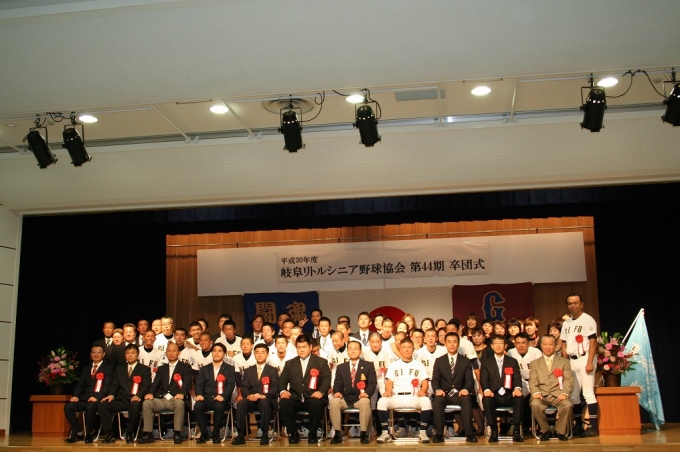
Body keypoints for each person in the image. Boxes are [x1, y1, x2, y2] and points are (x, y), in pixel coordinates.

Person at [376, 338, 432, 444]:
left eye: (409, 347)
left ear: (413, 349)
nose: (406, 350)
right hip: (397, 396)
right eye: (404, 347)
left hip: (413, 396)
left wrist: (423, 390)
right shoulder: (394, 365)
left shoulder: (419, 365)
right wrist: (388, 391)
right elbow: (389, 381)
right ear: (400, 349)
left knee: (426, 401)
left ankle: (422, 432)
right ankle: (385, 433)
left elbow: (425, 381)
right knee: (381, 402)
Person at [278, 334, 331, 445]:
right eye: (299, 347)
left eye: (304, 347)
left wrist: (321, 391)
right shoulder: (290, 363)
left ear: (310, 347)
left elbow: (327, 379)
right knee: (284, 403)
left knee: (316, 403)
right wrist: (283, 391)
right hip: (295, 397)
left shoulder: (321, 362)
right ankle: (293, 433)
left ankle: (312, 433)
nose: (302, 350)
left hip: (313, 396)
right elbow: (282, 380)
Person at [137, 342, 193, 444]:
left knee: (180, 403)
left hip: (176, 399)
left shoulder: (185, 367)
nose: (171, 353)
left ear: (179, 353)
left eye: (174, 351)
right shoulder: (161, 368)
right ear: (166, 353)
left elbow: (187, 383)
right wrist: (151, 393)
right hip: (162, 399)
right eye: (169, 351)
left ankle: (177, 434)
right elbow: (155, 383)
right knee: (147, 403)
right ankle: (148, 434)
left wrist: (182, 393)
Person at [560, 292, 599, 437]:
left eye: (575, 303)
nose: (573, 306)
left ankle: (593, 426)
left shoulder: (588, 319)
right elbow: (563, 344)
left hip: (585, 357)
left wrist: (590, 362)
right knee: (574, 394)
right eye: (570, 303)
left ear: (581, 304)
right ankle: (578, 424)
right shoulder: (566, 323)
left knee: (587, 392)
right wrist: (565, 364)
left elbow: (593, 341)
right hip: (572, 360)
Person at [98, 344, 152, 443]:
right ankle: (110, 433)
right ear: (124, 355)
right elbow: (114, 385)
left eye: (132, 353)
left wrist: (138, 396)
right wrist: (111, 395)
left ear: (137, 355)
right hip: (121, 399)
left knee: (135, 406)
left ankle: (130, 432)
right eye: (127, 353)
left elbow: (146, 386)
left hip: (135, 399)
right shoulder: (119, 369)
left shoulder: (145, 369)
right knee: (103, 404)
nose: (130, 355)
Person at [431, 332, 477, 443]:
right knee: (437, 401)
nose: (452, 344)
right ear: (445, 344)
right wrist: (437, 390)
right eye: (449, 342)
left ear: (458, 344)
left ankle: (469, 433)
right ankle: (439, 434)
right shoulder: (439, 361)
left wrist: (466, 389)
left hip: (459, 394)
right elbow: (435, 380)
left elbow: (469, 380)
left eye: (454, 342)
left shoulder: (465, 361)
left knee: (467, 399)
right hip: (444, 394)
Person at [329, 341, 377, 445]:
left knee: (365, 402)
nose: (353, 351)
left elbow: (372, 383)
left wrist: (367, 393)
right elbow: (337, 383)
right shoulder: (341, 367)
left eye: (355, 348)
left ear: (360, 351)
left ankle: (363, 433)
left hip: (360, 397)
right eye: (350, 348)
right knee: (334, 402)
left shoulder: (368, 365)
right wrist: (337, 392)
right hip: (345, 398)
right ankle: (337, 433)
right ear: (347, 351)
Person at [64, 345, 113, 443]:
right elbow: (80, 385)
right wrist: (75, 395)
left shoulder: (108, 368)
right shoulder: (86, 369)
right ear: (90, 354)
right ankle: (78, 432)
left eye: (99, 352)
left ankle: (89, 433)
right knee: (68, 407)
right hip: (85, 398)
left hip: (98, 399)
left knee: (90, 407)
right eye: (94, 352)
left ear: (103, 354)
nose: (96, 354)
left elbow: (107, 386)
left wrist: (97, 397)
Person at [232, 343, 279, 446]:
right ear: (254, 354)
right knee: (241, 403)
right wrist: (248, 395)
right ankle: (240, 434)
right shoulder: (248, 370)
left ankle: (265, 434)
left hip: (266, 399)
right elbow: (244, 386)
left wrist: (263, 395)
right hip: (252, 399)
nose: (260, 355)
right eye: (257, 352)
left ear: (267, 354)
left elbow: (275, 387)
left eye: (262, 352)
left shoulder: (273, 370)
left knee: (264, 402)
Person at [480, 334, 524, 442]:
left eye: (501, 343)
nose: (498, 345)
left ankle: (516, 430)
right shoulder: (486, 362)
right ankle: (494, 430)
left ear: (505, 346)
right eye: (496, 343)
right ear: (492, 346)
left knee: (519, 398)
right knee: (486, 400)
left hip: (509, 395)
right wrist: (487, 390)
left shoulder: (512, 361)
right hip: (494, 395)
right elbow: (484, 379)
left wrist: (517, 388)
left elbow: (517, 378)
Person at [530, 335, 574, 441]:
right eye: (545, 344)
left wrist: (565, 393)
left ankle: (560, 431)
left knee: (567, 405)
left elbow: (569, 380)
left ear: (555, 346)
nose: (548, 347)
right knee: (534, 404)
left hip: (558, 394)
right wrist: (536, 392)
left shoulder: (564, 362)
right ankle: (545, 430)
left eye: (550, 344)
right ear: (541, 346)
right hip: (542, 395)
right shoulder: (534, 363)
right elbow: (532, 381)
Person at [194, 343, 237, 443]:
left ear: (224, 354)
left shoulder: (229, 369)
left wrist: (223, 396)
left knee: (219, 406)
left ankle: (216, 434)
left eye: (219, 351)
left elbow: (230, 385)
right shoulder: (204, 369)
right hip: (206, 398)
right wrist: (199, 394)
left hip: (222, 400)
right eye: (214, 351)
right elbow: (199, 384)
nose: (216, 353)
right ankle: (204, 433)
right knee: (198, 406)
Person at [508, 332, 543, 429]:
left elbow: (540, 371)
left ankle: (539, 425)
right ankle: (518, 426)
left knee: (537, 400)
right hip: (520, 381)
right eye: (518, 343)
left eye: (523, 343)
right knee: (517, 399)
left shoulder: (536, 352)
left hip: (535, 381)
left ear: (528, 343)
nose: (520, 345)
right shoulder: (511, 352)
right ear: (514, 343)